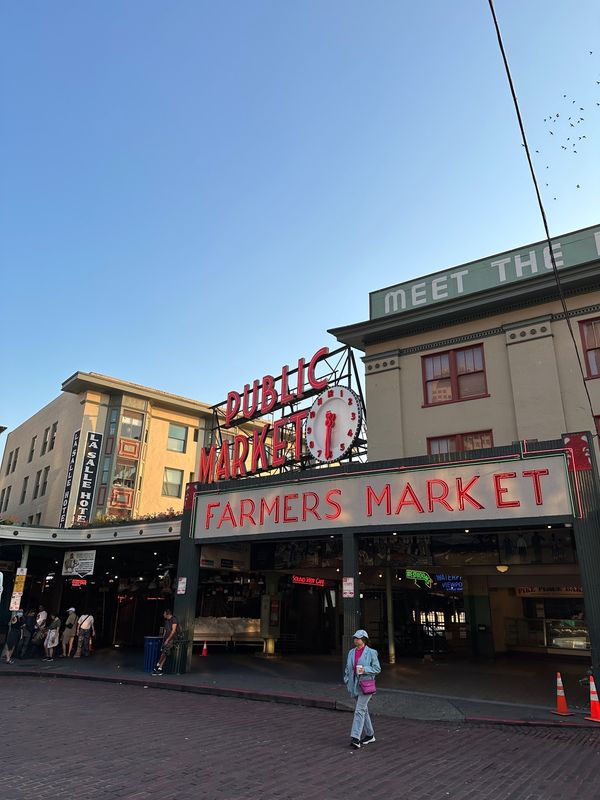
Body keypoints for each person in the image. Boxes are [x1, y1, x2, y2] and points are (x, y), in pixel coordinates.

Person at [343, 629, 381, 749]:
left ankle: (355, 738)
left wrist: (364, 669)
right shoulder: (351, 652)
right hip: (353, 685)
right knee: (363, 709)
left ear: (364, 639)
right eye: (355, 638)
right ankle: (370, 735)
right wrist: (346, 679)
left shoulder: (371, 652)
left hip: (366, 685)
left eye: (358, 638)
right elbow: (347, 667)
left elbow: (377, 668)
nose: (355, 640)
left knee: (359, 710)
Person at [152, 609, 180, 675]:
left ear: (167, 614)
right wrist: (164, 638)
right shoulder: (166, 621)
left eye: (164, 613)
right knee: (165, 653)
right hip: (166, 639)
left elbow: (173, 631)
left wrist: (167, 639)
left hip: (171, 639)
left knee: (164, 653)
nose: (163, 615)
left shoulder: (174, 619)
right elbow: (165, 631)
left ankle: (157, 665)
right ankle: (160, 669)